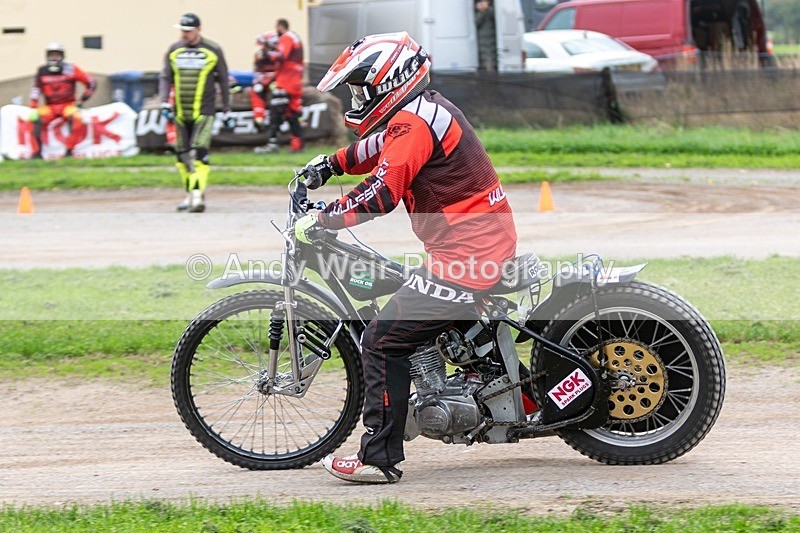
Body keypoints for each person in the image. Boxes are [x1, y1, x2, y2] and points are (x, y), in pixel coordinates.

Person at [293, 32, 518, 484]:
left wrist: (325, 217)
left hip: (468, 255)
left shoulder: (413, 122)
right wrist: (331, 165)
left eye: (362, 89)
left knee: (381, 339)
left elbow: (382, 192)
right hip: (473, 245)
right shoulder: (419, 112)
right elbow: (380, 150)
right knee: (399, 302)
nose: (357, 99)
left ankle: (377, 459)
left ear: (389, 80)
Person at [159, 13, 231, 213]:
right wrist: (164, 102)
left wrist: (226, 109)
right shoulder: (174, 50)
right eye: (182, 30)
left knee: (199, 152)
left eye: (188, 31)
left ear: (199, 29)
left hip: (205, 111)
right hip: (180, 111)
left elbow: (224, 80)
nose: (185, 34)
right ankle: (190, 194)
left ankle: (198, 196)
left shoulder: (213, 49)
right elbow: (165, 77)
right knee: (182, 156)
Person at [28, 42, 96, 159]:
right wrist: (33, 104)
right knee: (33, 120)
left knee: (76, 119)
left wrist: (82, 99)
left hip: (67, 105)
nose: (54, 58)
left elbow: (91, 83)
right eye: (51, 55)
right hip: (50, 106)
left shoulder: (71, 69)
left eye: (57, 55)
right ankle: (36, 153)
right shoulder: (42, 70)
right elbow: (36, 88)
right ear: (47, 56)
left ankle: (69, 151)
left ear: (62, 56)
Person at [255, 18, 304, 153]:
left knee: (275, 113)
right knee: (292, 114)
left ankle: (272, 144)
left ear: (279, 27)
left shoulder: (287, 37)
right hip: (295, 81)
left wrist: (267, 54)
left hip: (286, 83)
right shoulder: (296, 38)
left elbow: (281, 55)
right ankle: (297, 144)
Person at [250, 32, 279, 131]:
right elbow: (257, 72)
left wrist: (272, 78)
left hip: (279, 83)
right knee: (256, 89)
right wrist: (264, 80)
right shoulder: (259, 56)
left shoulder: (281, 56)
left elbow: (284, 72)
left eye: (265, 46)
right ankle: (259, 118)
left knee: (277, 90)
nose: (263, 49)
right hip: (264, 82)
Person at [475, 0, 497, 72]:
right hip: (482, 43)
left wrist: (487, 8)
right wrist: (481, 11)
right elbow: (476, 22)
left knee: (490, 64)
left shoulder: (492, 9)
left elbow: (497, 17)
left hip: (491, 42)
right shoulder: (477, 12)